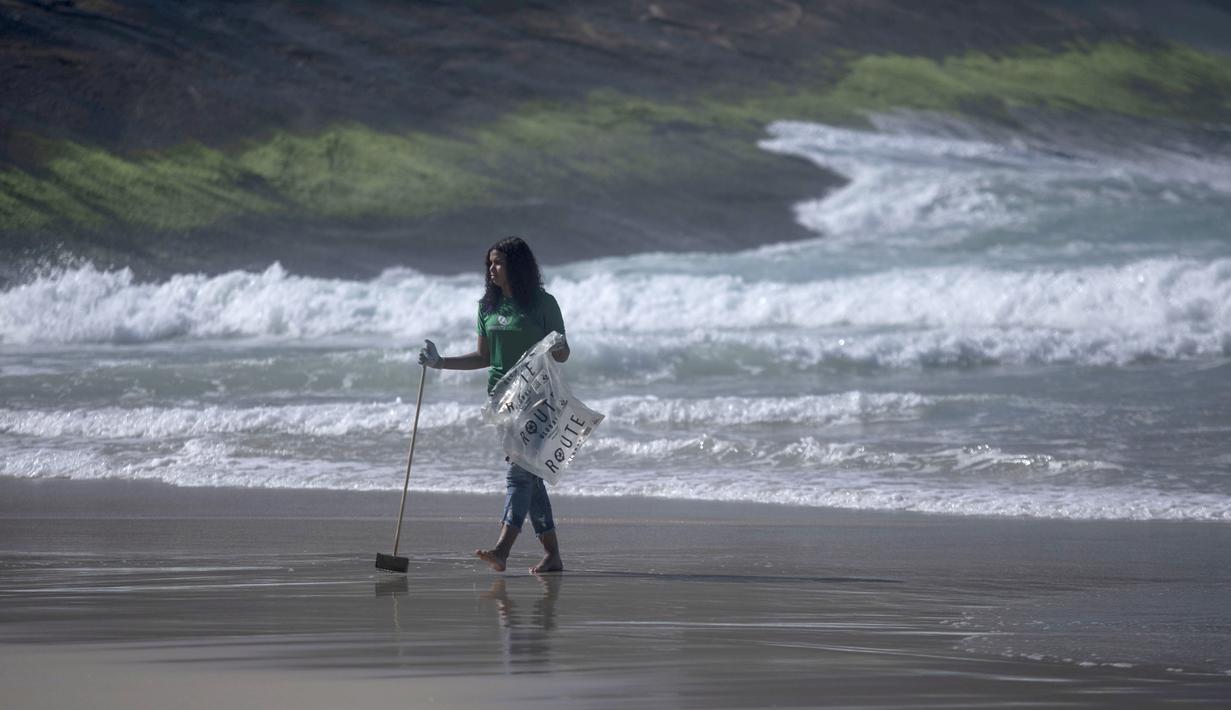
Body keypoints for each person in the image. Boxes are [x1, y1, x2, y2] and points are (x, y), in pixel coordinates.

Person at [419, 237, 570, 574]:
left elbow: (563, 353)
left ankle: (502, 550)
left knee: (518, 475)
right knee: (531, 479)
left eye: (498, 262)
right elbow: (483, 357)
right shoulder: (487, 307)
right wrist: (440, 362)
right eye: (489, 263)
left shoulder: (543, 304)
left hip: (538, 401)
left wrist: (557, 346)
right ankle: (553, 555)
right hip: (502, 403)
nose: (491, 269)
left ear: (517, 266)